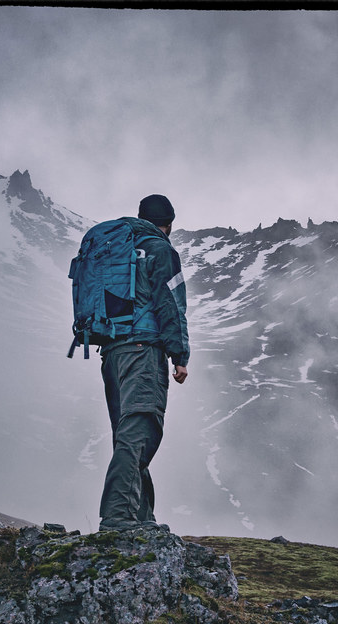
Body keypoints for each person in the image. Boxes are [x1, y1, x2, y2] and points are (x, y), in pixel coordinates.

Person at [98, 194, 190, 532]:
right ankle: (118, 518)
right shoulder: (160, 249)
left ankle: (142, 517)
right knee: (139, 432)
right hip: (142, 351)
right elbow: (170, 304)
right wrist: (179, 355)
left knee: (128, 434)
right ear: (168, 224)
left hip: (112, 354)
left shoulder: (116, 247)